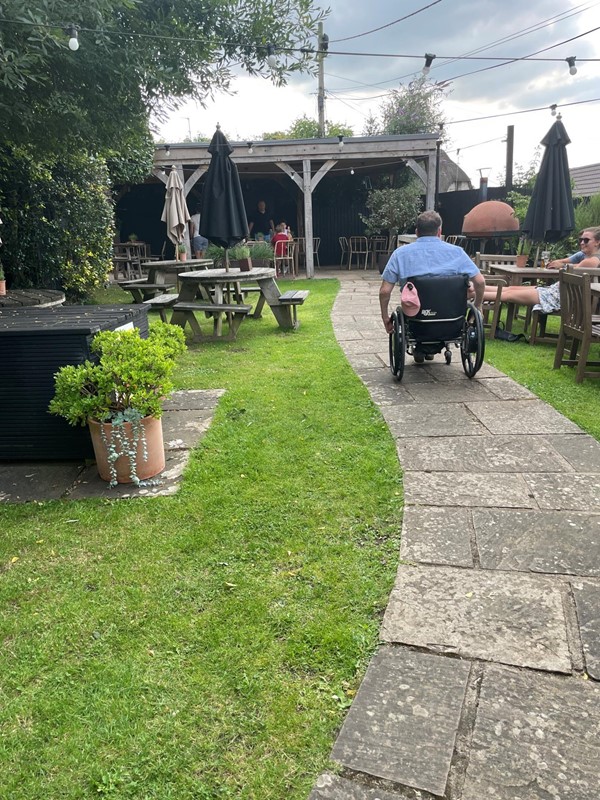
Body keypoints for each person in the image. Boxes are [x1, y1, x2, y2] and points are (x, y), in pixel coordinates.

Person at [379, 210, 485, 363]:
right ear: (439, 231)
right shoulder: (457, 253)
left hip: (416, 319)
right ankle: (430, 349)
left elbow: (384, 291)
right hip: (452, 319)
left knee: (411, 308)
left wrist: (385, 317)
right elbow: (480, 282)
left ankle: (422, 348)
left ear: (417, 232)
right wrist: (478, 305)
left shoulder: (400, 254)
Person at [482, 227, 600, 313]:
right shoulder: (584, 256)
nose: (582, 243)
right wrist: (561, 264)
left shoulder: (592, 261)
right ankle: (475, 288)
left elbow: (566, 272)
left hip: (560, 297)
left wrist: (563, 266)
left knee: (509, 294)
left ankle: (472, 292)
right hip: (557, 292)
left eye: (586, 240)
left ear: (597, 242)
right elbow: (563, 264)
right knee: (511, 288)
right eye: (581, 240)